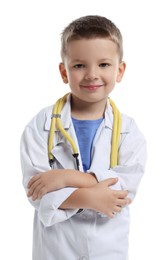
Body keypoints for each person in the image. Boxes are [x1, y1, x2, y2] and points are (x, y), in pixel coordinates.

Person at [20, 15, 147, 260]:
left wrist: (66, 177)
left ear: (119, 71)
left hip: (108, 249)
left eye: (103, 65)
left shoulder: (129, 132)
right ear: (63, 71)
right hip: (55, 249)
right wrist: (92, 196)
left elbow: (123, 191)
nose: (91, 74)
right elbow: (37, 191)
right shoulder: (41, 125)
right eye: (79, 65)